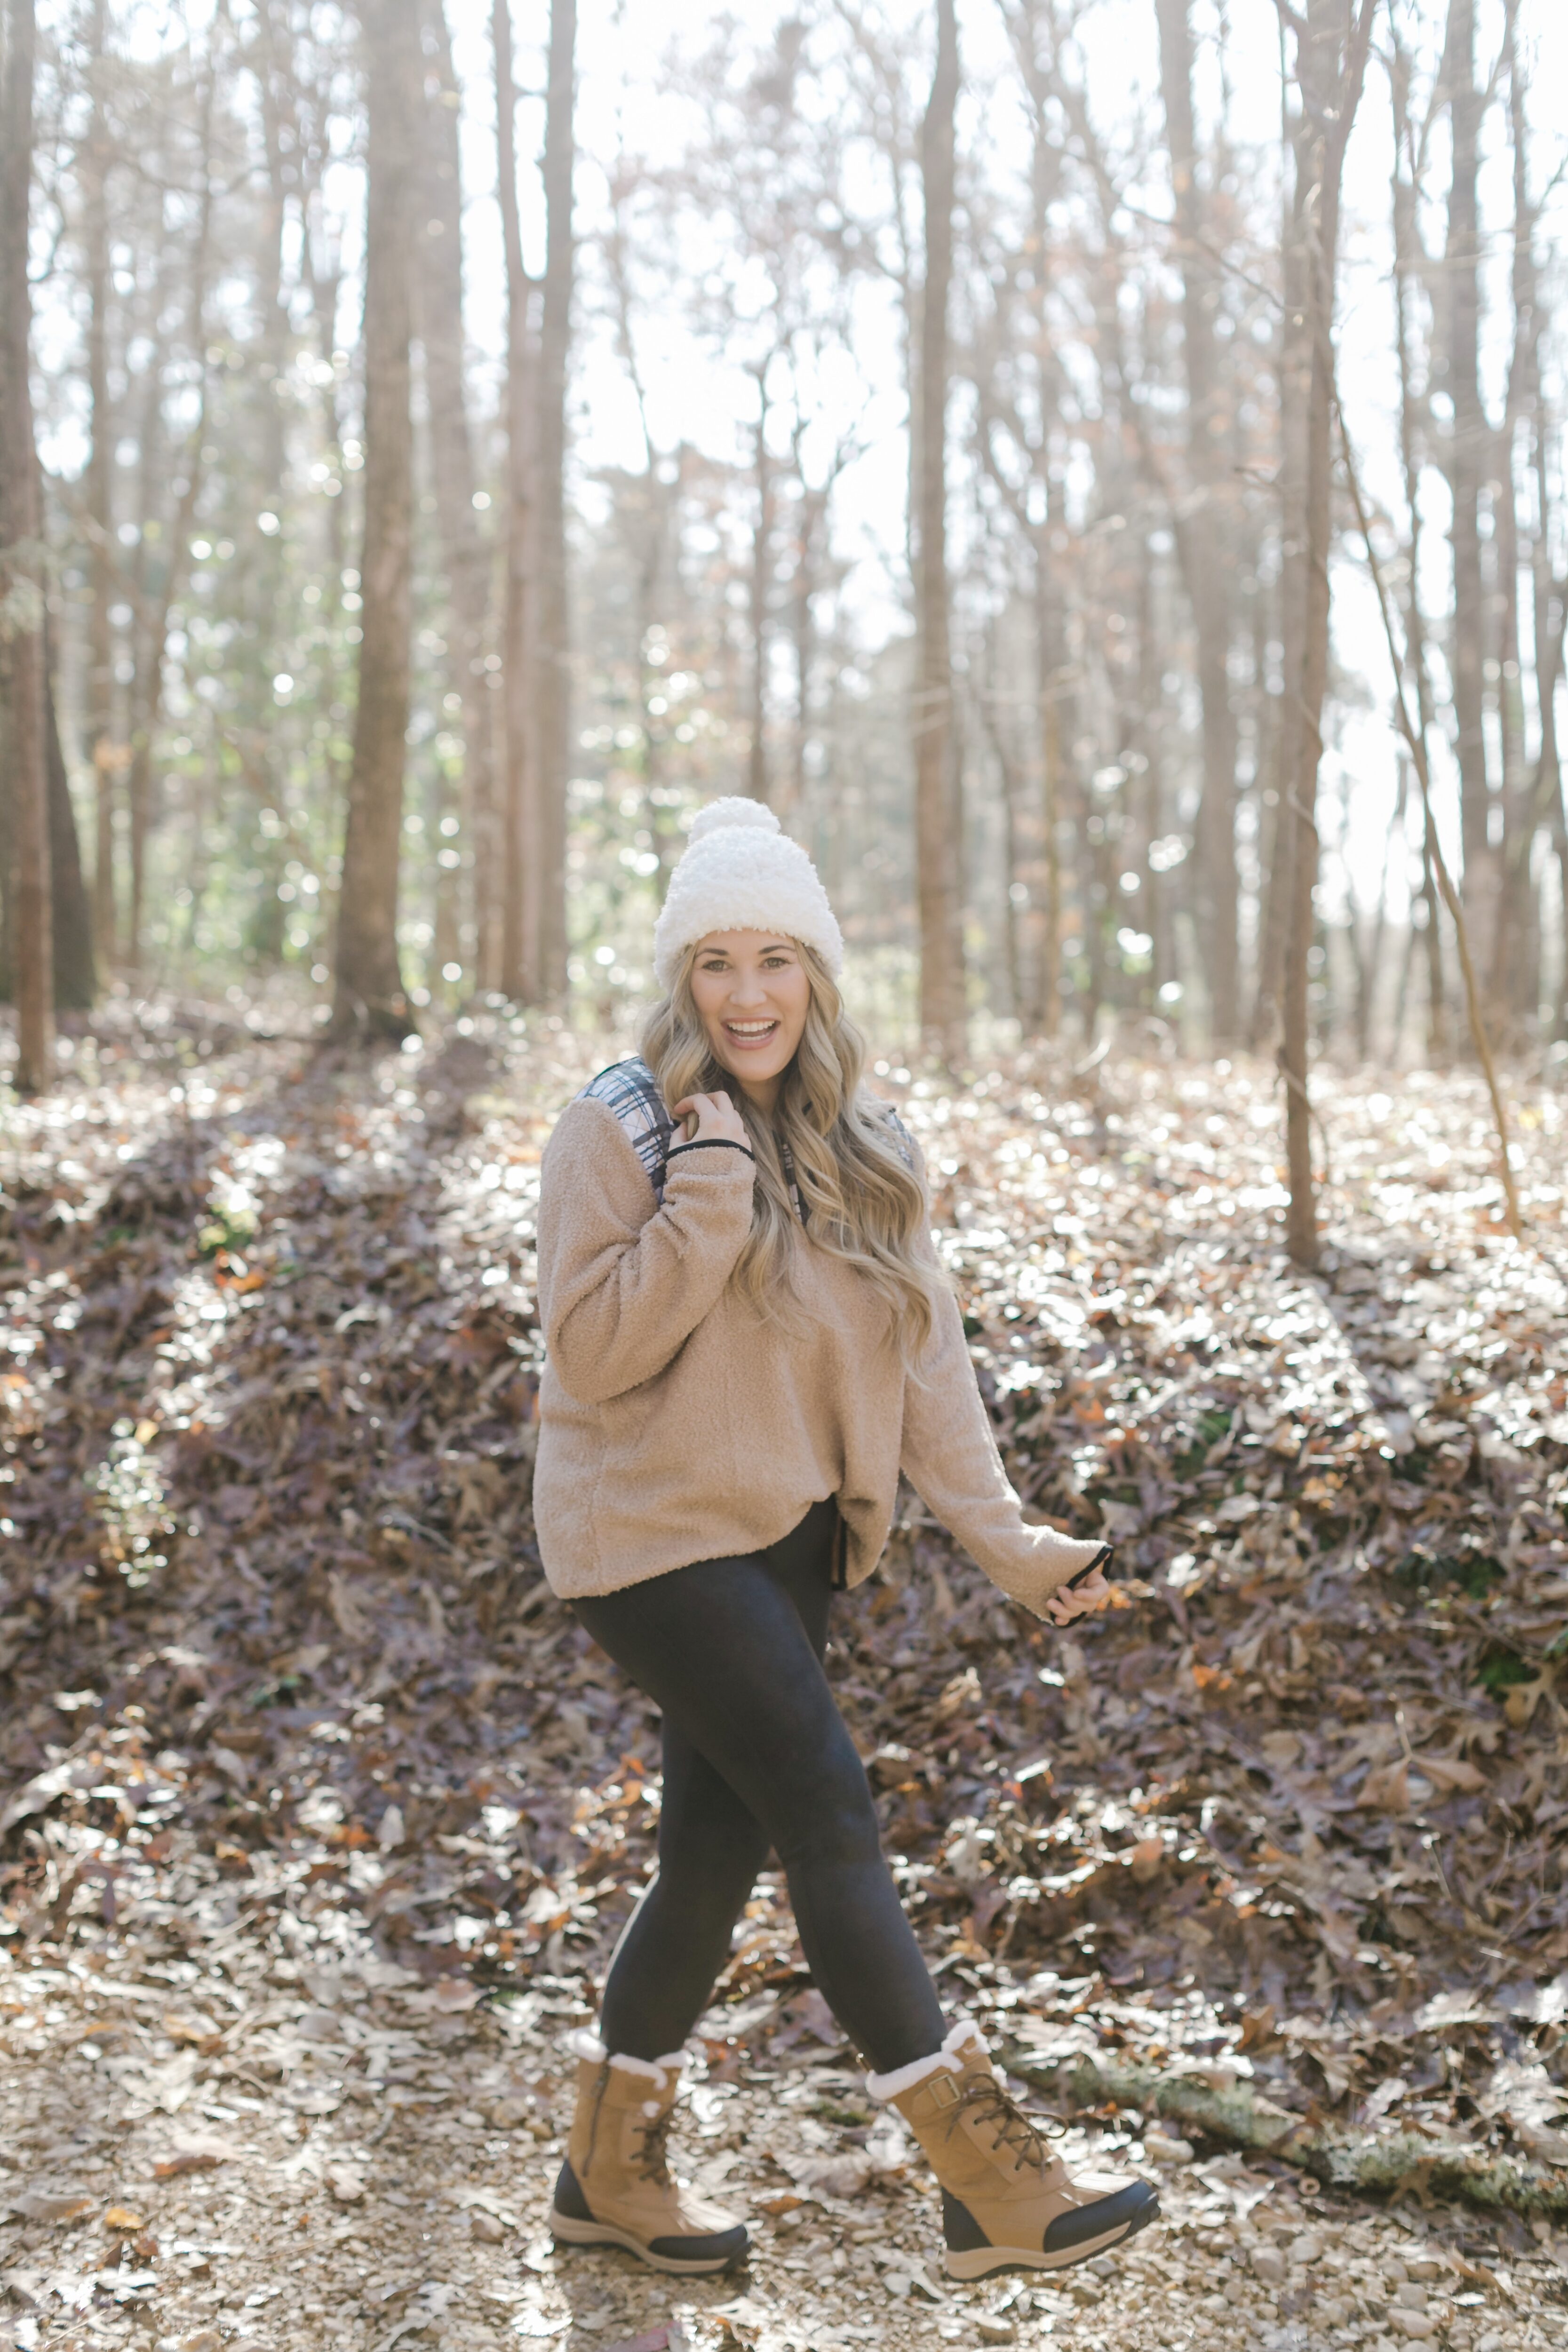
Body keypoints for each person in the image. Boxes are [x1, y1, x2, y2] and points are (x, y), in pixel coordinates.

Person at [532, 797, 1158, 2285]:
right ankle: (984, 2175)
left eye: (777, 960)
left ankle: (605, 2174)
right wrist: (702, 1200)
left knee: (710, 1852)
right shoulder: (620, 1124)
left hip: (794, 1541)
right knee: (825, 1802)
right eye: (715, 964)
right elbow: (589, 1353)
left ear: (818, 973)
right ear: (679, 980)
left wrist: (1010, 1543)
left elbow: (924, 1368)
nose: (747, 996)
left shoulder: (869, 1147)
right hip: (648, 1534)